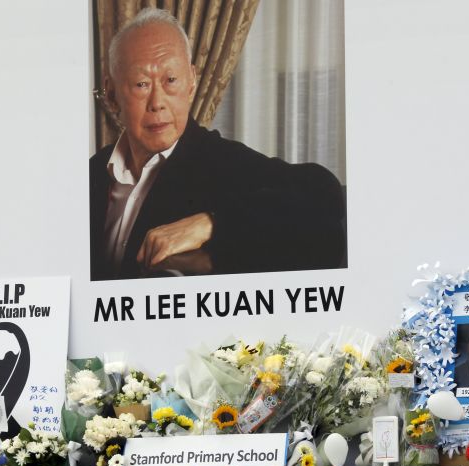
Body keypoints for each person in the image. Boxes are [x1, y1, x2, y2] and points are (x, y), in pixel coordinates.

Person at [89, 8, 347, 281]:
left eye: (171, 81)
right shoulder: (91, 173)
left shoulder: (222, 162)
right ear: (112, 93)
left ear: (191, 84)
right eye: (141, 84)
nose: (157, 103)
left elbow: (323, 194)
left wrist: (211, 223)